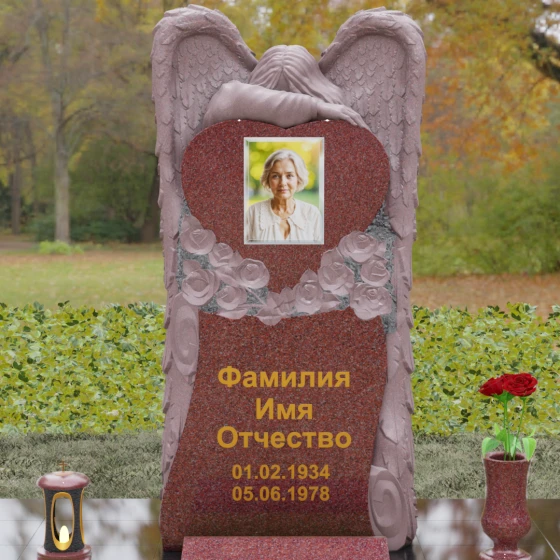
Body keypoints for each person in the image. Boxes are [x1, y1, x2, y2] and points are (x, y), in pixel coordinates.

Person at [203, 45, 368, 130]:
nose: (285, 124)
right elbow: (230, 96)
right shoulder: (231, 98)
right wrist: (316, 107)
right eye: (271, 93)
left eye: (293, 92)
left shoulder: (345, 115)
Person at [245, 149, 322, 243]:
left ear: (298, 179)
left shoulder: (312, 214)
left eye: (289, 176)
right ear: (268, 180)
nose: (282, 183)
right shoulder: (253, 212)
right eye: (275, 176)